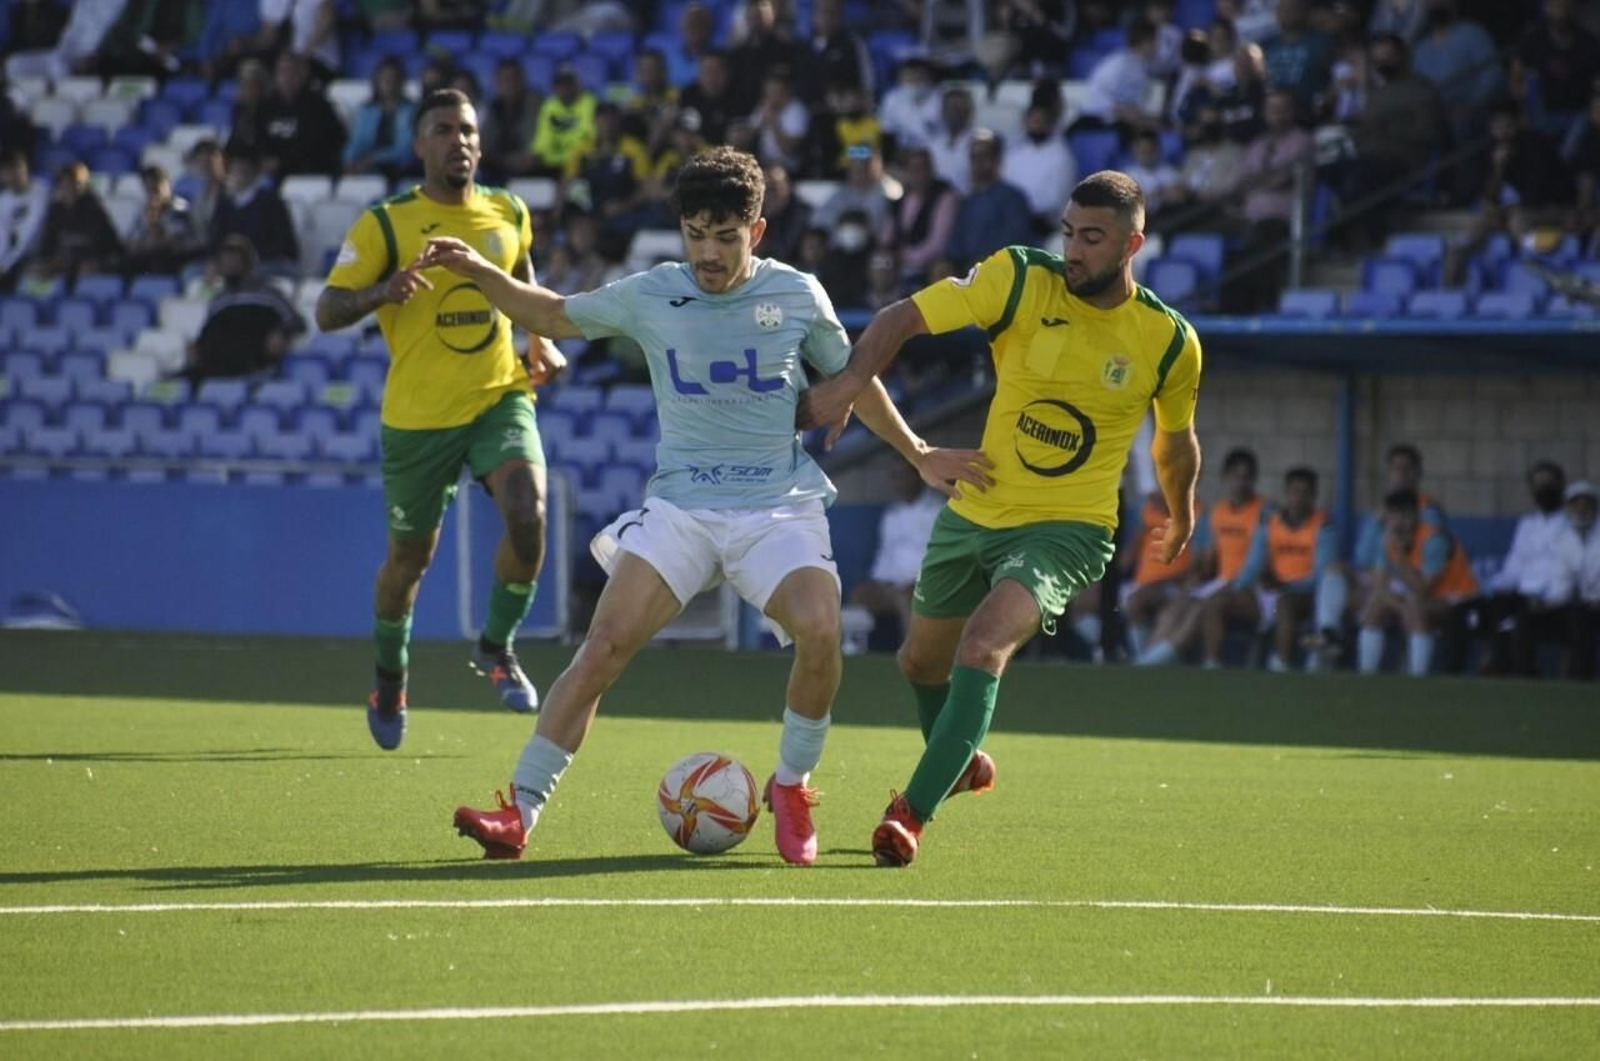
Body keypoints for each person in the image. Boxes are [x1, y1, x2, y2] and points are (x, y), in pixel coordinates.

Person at [438, 146, 991, 866]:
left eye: (725, 236)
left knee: (821, 632)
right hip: (683, 508)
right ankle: (521, 811)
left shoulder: (798, 295)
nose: (708, 251)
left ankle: (790, 785)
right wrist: (481, 274)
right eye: (696, 233)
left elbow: (855, 378)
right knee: (602, 648)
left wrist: (919, 453)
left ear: (755, 232)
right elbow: (552, 312)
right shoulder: (653, 292)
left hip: (778, 506)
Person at [797, 170, 1203, 866]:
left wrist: (1182, 510)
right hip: (975, 505)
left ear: (1134, 243)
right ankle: (960, 763)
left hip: (1069, 530)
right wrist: (843, 387)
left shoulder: (1169, 340)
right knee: (918, 660)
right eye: (1070, 232)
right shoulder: (1017, 277)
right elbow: (900, 319)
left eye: (1094, 238)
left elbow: (1174, 439)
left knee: (982, 647)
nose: (1074, 249)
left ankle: (908, 815)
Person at [315, 88, 567, 751]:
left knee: (528, 513)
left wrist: (539, 337)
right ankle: (389, 678)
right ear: (419, 142)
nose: (459, 139)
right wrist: (381, 292)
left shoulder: (508, 209)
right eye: (443, 129)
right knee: (407, 564)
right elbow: (326, 309)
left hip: (497, 396)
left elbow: (521, 271)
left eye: (469, 129)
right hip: (419, 418)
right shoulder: (387, 224)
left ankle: (496, 646)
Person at [1135, 446, 1265, 668]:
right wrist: (1196, 576)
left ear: (1254, 479)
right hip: (1222, 584)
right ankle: (1149, 656)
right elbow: (1207, 558)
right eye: (1236, 476)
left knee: (1203, 606)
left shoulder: (1265, 511)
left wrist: (1233, 583)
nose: (1241, 483)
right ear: (1226, 478)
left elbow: (1259, 561)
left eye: (1246, 477)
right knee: (1179, 603)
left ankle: (1187, 659)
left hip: (1254, 588)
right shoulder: (1218, 512)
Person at [1357, 487, 1477, 677]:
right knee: (1376, 606)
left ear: (1416, 515)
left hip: (1458, 599)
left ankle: (1417, 676)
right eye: (1394, 516)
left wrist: (1403, 557)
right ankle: (1366, 674)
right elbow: (1379, 587)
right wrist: (1399, 607)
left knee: (1415, 606)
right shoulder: (1387, 539)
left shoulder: (1433, 539)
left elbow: (1423, 590)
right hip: (1419, 596)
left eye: (1406, 515)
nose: (1400, 522)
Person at [1232, 465, 1338, 671]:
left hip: (1304, 595)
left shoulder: (1324, 527)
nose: (1298, 498)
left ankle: (1281, 663)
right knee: (1219, 602)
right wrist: (1238, 586)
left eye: (1305, 493)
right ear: (1287, 494)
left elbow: (1322, 577)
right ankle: (1212, 665)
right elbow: (1253, 565)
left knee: (1283, 604)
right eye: (1294, 492)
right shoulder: (1269, 523)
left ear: (1313, 496)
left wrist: (1287, 585)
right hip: (1271, 591)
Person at [1478, 460, 1572, 676]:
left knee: (1522, 615)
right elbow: (1514, 567)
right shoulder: (1527, 524)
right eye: (1539, 484)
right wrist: (1493, 587)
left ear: (1560, 486)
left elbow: (1567, 569)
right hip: (1522, 594)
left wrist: (1546, 596)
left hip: (1554, 599)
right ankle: (1498, 667)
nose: (1544, 489)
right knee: (1494, 606)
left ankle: (1524, 671)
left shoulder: (1570, 523)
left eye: (1549, 484)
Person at [173, 235, 305, 385]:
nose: (230, 261)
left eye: (235, 256)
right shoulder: (218, 301)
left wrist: (282, 333)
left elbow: (296, 321)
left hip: (253, 370)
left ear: (247, 261)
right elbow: (206, 337)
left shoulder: (268, 293)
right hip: (213, 372)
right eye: (226, 256)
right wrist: (197, 348)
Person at [844, 459, 946, 651]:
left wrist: (916, 581)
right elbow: (885, 555)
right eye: (894, 476)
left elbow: (941, 556)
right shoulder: (891, 515)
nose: (898, 481)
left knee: (906, 597)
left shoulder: (938, 510)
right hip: (891, 585)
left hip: (925, 585)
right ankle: (855, 655)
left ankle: (915, 654)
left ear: (918, 477)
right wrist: (878, 581)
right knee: (859, 595)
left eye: (903, 475)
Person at [1552, 480, 1600, 679]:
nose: (1581, 509)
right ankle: (1580, 678)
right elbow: (1563, 580)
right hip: (1582, 605)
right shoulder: (1564, 539)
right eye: (1576, 504)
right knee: (1577, 618)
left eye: (1586, 504)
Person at [343, 55, 417, 182]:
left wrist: (373, 159)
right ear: (376, 81)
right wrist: (349, 161)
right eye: (385, 78)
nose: (389, 82)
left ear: (401, 81)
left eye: (393, 78)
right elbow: (356, 141)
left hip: (400, 169)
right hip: (366, 167)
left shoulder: (411, 111)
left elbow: (406, 150)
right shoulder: (366, 111)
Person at [123, 163, 203, 276]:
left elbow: (172, 242)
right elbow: (132, 241)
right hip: (146, 258)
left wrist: (153, 226)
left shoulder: (180, 208)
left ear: (167, 184)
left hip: (174, 260)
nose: (153, 195)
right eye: (148, 190)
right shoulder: (144, 210)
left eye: (156, 189)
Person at [0, 152, 49, 292]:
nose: (15, 175)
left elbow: (29, 235)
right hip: (12, 259)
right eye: (7, 171)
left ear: (26, 168)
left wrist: (7, 264)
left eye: (18, 168)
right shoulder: (3, 202)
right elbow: (2, 238)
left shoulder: (43, 192)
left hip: (38, 253)